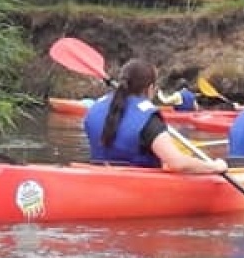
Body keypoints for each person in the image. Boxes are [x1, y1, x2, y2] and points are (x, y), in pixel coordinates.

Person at [82, 59, 228, 174]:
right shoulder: (149, 119)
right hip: (138, 189)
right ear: (150, 89)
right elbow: (177, 163)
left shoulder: (95, 108)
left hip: (99, 178)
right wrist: (213, 167)